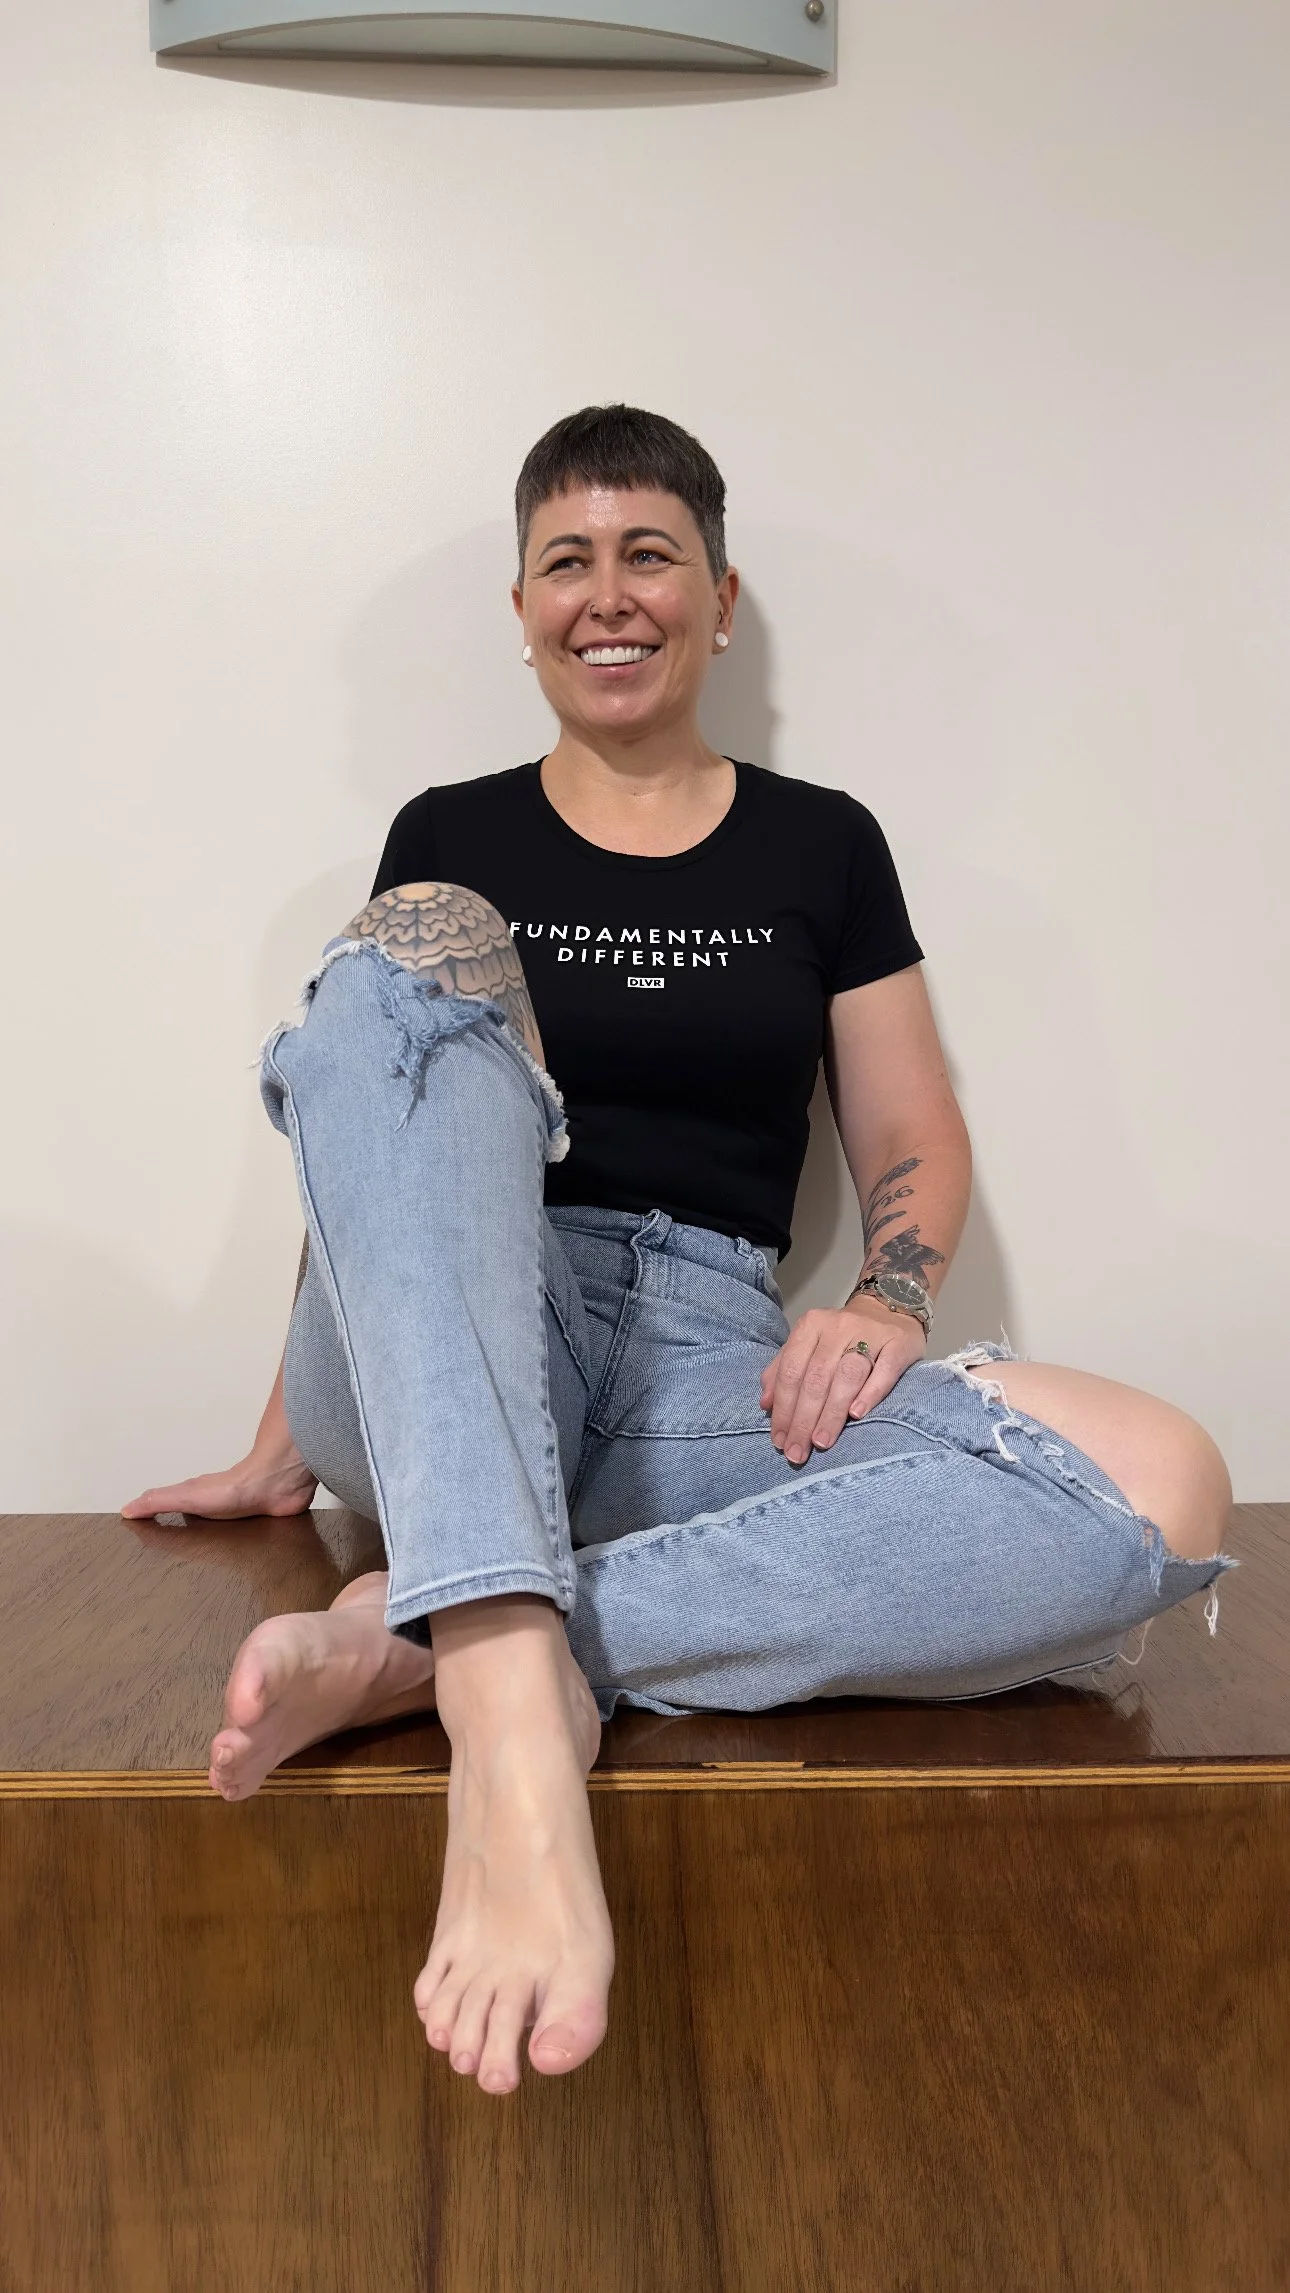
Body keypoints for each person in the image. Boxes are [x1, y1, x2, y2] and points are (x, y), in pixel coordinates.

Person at [125, 404, 1233, 2100]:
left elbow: (908, 1128)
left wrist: (884, 1297)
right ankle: (517, 1719)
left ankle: (445, 1644)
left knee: (1163, 1485)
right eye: (564, 560)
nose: (607, 593)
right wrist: (285, 1438)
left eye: (647, 554)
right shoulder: (450, 829)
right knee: (410, 951)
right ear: (520, 610)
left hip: (702, 1366)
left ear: (718, 597)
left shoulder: (821, 843)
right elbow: (381, 1159)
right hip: (451, 1340)